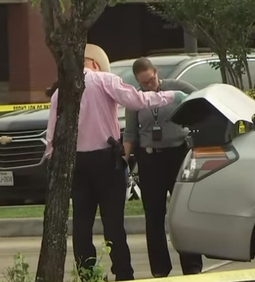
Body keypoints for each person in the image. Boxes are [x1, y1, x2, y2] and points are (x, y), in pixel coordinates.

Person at [44, 44, 188, 282]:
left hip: (77, 163)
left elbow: (51, 133)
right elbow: (137, 100)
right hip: (106, 159)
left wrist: (52, 161)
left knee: (82, 224)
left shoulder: (62, 92)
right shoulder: (105, 80)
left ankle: (88, 274)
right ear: (95, 63)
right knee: (113, 224)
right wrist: (171, 95)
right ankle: (123, 273)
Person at [123, 57, 203, 278]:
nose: (148, 86)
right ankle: (160, 268)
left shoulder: (177, 89)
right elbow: (130, 132)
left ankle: (192, 265)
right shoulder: (136, 99)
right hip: (150, 160)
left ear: (156, 72)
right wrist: (124, 157)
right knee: (154, 216)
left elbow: (202, 100)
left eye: (150, 80)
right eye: (143, 83)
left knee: (183, 212)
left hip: (178, 155)